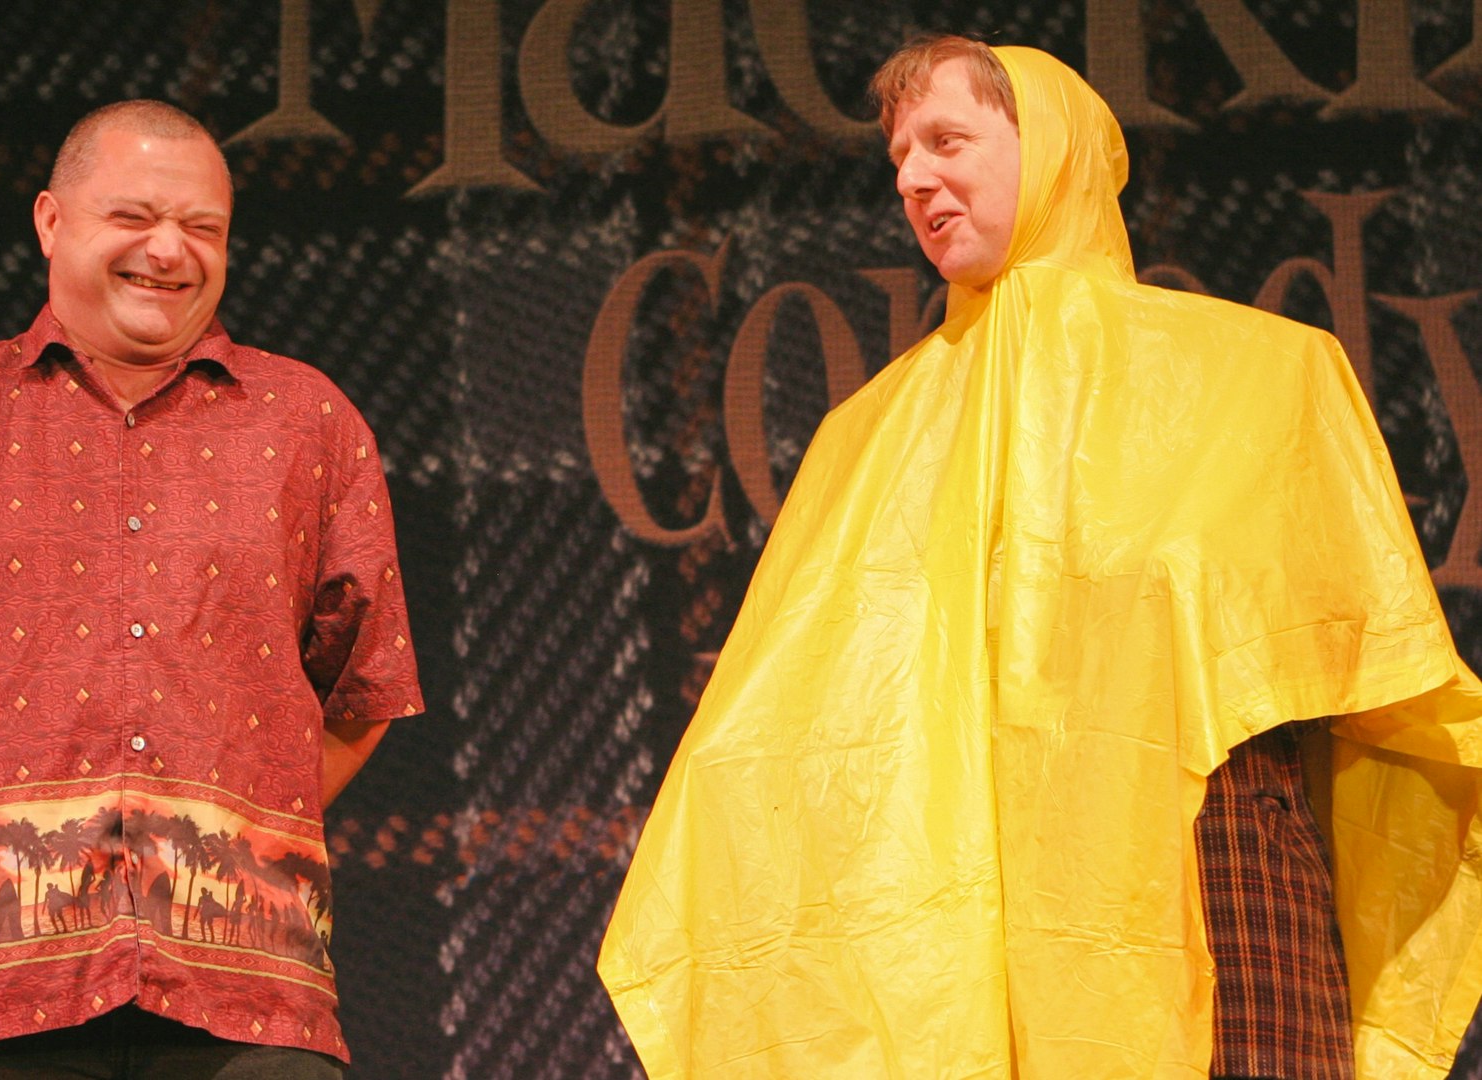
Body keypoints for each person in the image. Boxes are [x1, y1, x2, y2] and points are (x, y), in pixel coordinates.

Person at [598, 37, 1482, 1079]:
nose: (914, 177)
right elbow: (768, 742)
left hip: (1213, 891)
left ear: (1050, 148)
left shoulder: (1264, 377)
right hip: (953, 934)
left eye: (947, 140)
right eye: (897, 160)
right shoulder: (865, 437)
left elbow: (1381, 685)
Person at [0, 100, 423, 1076]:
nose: (169, 250)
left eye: (202, 229)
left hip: (248, 1006)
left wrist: (224, 831)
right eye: (134, 218)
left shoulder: (309, 424)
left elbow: (362, 693)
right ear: (51, 221)